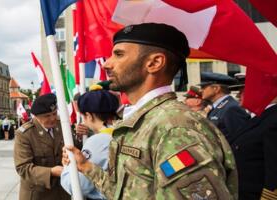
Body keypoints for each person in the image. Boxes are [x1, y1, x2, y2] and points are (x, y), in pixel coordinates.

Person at [62, 23, 237, 199]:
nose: (107, 64)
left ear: (154, 63)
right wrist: (86, 167)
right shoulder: (146, 121)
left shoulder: (175, 129)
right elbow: (128, 193)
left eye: (119, 54)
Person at [60, 84, 119, 200]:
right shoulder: (123, 132)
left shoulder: (99, 140)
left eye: (83, 115)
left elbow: (78, 185)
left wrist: (67, 166)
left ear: (88, 115)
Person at [14, 93, 70, 200]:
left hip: (62, 192)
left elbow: (75, 148)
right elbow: (23, 168)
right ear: (37, 116)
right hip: (38, 194)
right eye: (47, 116)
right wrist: (51, 172)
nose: (53, 118)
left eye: (54, 113)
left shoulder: (62, 125)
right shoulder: (25, 134)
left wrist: (81, 135)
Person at [229, 96, 277, 199]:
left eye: (247, 88)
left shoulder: (273, 119)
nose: (239, 95)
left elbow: (274, 171)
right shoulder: (260, 117)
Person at [199, 72, 250, 141]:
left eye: (203, 87)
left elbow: (240, 140)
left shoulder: (231, 108)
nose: (200, 90)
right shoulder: (219, 107)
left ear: (216, 89)